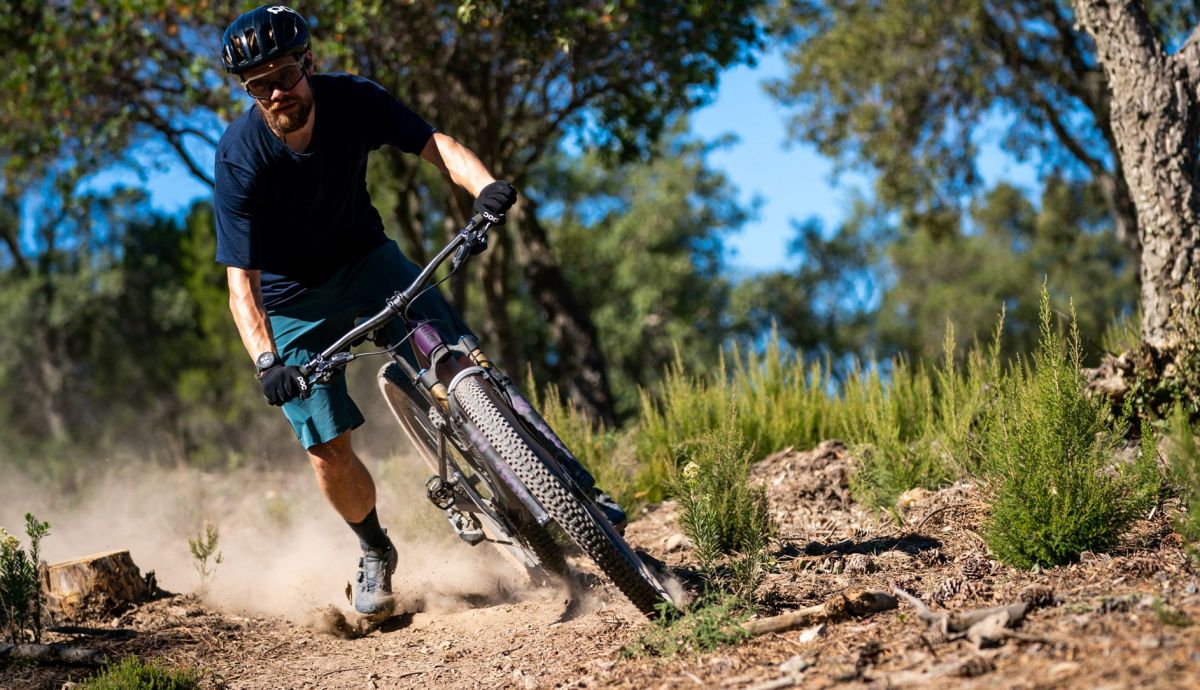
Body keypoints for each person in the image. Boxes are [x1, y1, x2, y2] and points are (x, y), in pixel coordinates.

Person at [213, 5, 623, 618]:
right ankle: (375, 548)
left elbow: (438, 145)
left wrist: (483, 190)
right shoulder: (240, 157)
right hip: (291, 298)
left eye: (286, 74)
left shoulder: (353, 100)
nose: (277, 92)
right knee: (327, 445)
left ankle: (572, 486)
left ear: (309, 63)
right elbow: (240, 282)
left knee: (459, 360)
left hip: (367, 262)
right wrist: (268, 361)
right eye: (259, 84)